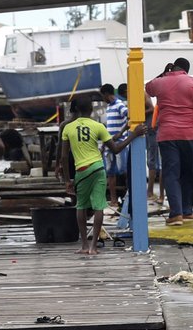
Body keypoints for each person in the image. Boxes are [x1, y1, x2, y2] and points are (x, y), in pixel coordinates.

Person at [60, 95, 145, 255]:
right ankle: (93, 247)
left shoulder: (68, 128)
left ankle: (84, 245)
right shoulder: (98, 126)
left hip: (81, 171)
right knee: (99, 205)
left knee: (81, 206)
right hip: (98, 169)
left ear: (76, 109)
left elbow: (64, 157)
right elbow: (116, 148)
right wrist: (133, 135)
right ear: (91, 109)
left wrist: (67, 180)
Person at [145, 58, 193, 226]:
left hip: (167, 136)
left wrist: (163, 73)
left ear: (172, 67)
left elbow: (147, 88)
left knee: (171, 174)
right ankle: (187, 210)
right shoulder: (192, 82)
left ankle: (176, 214)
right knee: (190, 172)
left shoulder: (160, 82)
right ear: (186, 70)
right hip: (190, 134)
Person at [100, 83, 129, 207]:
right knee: (110, 173)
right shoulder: (109, 107)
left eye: (103, 96)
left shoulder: (119, 105)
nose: (103, 99)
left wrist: (121, 133)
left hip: (120, 143)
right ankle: (113, 200)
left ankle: (126, 198)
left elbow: (130, 117)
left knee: (123, 171)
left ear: (106, 94)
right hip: (109, 145)